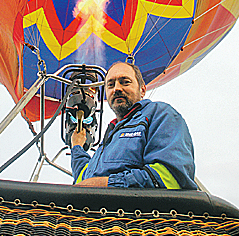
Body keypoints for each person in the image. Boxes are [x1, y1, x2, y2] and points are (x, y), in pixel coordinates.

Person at [71, 61, 197, 189]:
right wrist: (77, 147)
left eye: (125, 82)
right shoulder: (108, 140)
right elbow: (84, 178)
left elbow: (171, 177)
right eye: (110, 85)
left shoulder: (160, 114)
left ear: (142, 90)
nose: (117, 89)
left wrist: (108, 184)